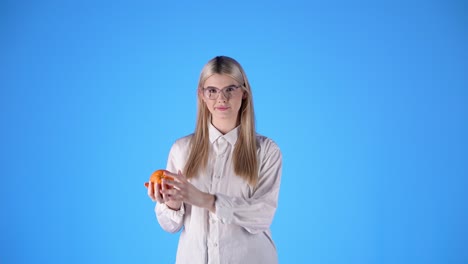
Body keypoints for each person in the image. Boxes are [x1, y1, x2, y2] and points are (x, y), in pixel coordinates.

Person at [147, 56, 282, 264]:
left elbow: (262, 216)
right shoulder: (181, 150)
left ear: (244, 93)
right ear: (201, 94)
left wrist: (206, 200)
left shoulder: (266, 151)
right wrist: (172, 203)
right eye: (212, 91)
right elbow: (170, 226)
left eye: (230, 89)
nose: (222, 98)